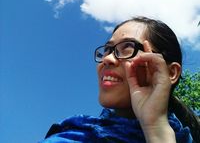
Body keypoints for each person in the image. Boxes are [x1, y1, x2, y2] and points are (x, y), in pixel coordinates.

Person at [40, 16, 199, 143]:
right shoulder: (74, 136)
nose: (107, 58)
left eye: (128, 49)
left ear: (171, 73)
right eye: (107, 50)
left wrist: (156, 128)